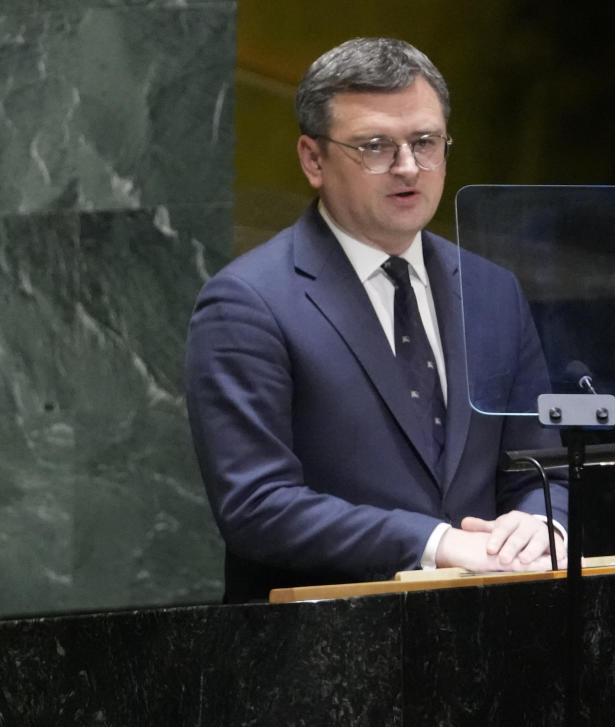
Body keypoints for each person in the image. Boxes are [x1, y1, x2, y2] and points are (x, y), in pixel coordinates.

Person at [185, 38, 567, 602]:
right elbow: (256, 505)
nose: (408, 167)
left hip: (494, 633)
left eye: (425, 142)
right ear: (313, 159)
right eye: (374, 146)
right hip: (325, 653)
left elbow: (544, 470)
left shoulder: (491, 290)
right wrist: (433, 543)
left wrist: (540, 525)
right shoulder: (246, 303)